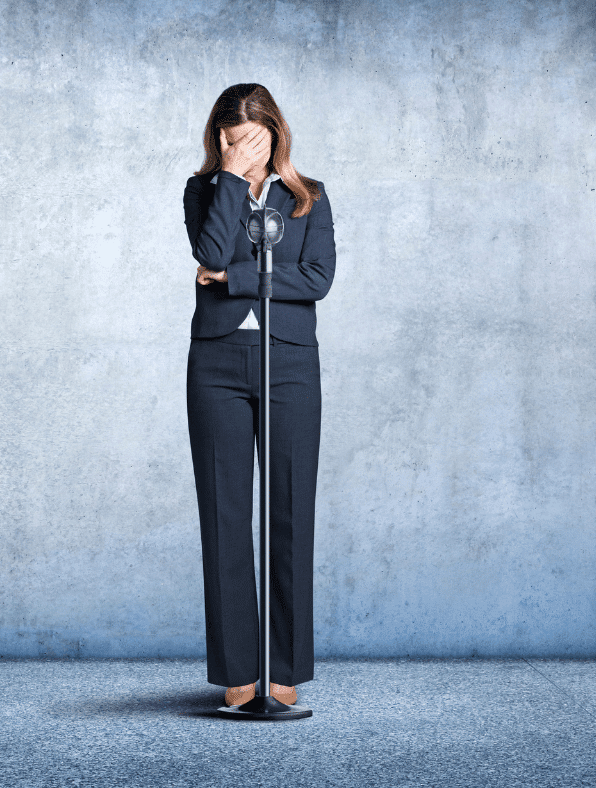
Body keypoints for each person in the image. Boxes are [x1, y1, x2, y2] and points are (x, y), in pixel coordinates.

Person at [182, 83, 336, 708]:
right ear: (219, 142)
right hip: (217, 363)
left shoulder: (309, 198)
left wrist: (234, 279)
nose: (247, 152)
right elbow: (210, 251)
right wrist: (228, 179)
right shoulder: (203, 191)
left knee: (290, 514)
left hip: (291, 363)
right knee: (224, 518)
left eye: (256, 140)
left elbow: (318, 279)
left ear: (276, 134)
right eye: (234, 142)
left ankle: (286, 668)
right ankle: (237, 672)